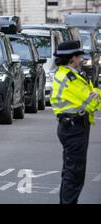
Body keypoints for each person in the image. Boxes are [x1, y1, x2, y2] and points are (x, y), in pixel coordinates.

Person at [51, 40, 101, 204]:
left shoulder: (66, 74)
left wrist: (95, 92)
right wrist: (96, 94)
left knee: (70, 172)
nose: (81, 60)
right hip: (75, 128)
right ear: (72, 58)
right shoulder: (71, 78)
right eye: (79, 57)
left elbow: (91, 90)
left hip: (70, 126)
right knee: (74, 175)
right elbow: (92, 101)